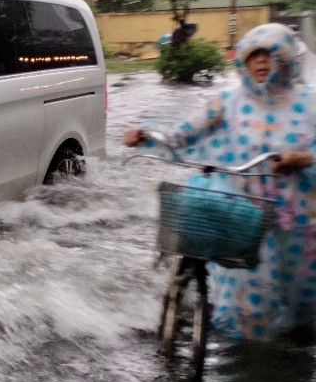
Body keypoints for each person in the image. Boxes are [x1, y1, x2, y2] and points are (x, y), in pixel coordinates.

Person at [124, 23, 316, 341]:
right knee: (250, 297)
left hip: (298, 218)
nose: (261, 62)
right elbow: (184, 134)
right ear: (242, 62)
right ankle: (248, 351)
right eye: (253, 56)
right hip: (247, 214)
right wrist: (147, 135)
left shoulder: (309, 102)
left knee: (298, 298)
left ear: (285, 59)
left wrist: (303, 158)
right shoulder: (229, 101)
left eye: (269, 54)